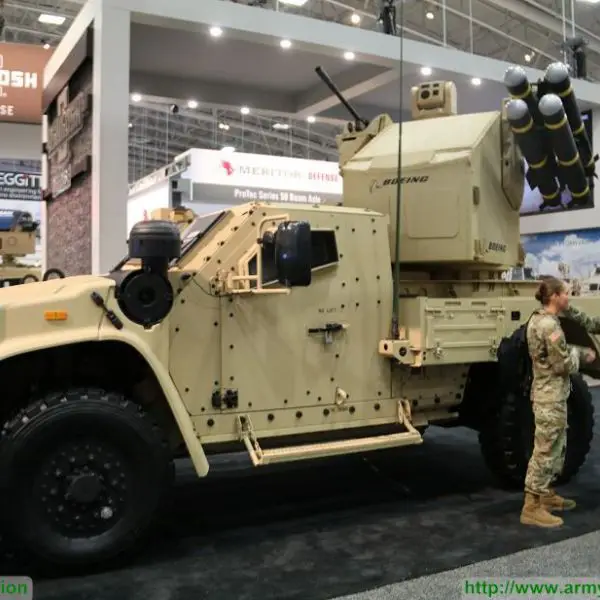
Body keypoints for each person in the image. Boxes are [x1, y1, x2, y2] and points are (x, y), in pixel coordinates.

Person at [521, 276, 597, 528]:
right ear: (554, 296)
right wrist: (583, 355)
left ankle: (545, 494)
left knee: (556, 446)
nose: (568, 297)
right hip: (549, 397)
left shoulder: (542, 319)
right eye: (565, 293)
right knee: (545, 449)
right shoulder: (549, 326)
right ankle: (531, 506)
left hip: (551, 395)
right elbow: (561, 364)